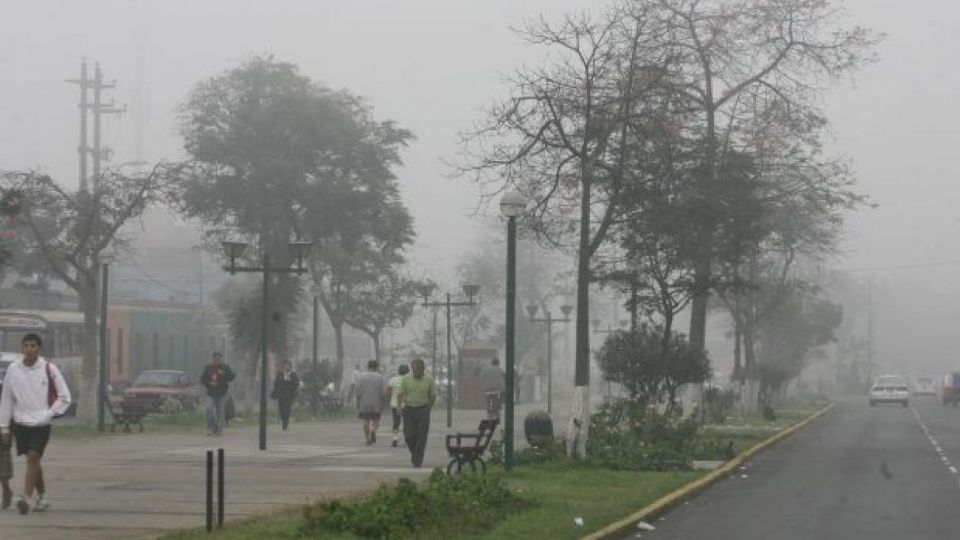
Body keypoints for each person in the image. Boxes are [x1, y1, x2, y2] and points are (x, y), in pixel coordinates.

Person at [0, 333, 71, 514]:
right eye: (26, 346)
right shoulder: (13, 369)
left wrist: (48, 414)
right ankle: (43, 497)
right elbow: (6, 399)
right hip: (20, 423)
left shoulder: (49, 368)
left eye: (33, 346)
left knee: (33, 456)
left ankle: (25, 498)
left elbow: (64, 396)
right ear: (22, 348)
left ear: (39, 348)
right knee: (33, 460)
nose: (29, 349)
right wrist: (4, 427)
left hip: (41, 424)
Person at [398, 358, 436, 468]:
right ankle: (415, 453)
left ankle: (417, 459)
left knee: (421, 436)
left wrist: (428, 408)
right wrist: (399, 407)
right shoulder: (406, 379)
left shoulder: (429, 379)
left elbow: (432, 395)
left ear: (423, 370)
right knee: (409, 435)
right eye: (414, 369)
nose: (416, 372)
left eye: (418, 370)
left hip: (423, 409)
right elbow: (401, 394)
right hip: (409, 410)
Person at [199, 352, 235, 437]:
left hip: (222, 393)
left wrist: (224, 374)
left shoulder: (225, 367)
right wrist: (209, 382)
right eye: (215, 359)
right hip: (210, 393)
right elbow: (202, 379)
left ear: (221, 359)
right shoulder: (208, 368)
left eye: (218, 359)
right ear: (213, 359)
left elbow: (232, 377)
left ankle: (219, 430)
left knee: (220, 412)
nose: (217, 361)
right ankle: (210, 428)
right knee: (209, 409)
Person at [355, 360, 386, 445]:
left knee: (365, 420)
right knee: (376, 419)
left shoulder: (361, 377)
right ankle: (373, 430)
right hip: (376, 402)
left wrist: (358, 402)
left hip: (364, 402)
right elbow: (383, 392)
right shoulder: (380, 377)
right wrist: (382, 403)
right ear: (376, 367)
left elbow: (358, 391)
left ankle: (367, 438)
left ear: (368, 366)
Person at [271, 360, 300, 430]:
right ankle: (283, 420)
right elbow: (276, 384)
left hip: (289, 395)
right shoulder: (280, 374)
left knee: (287, 409)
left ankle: (285, 423)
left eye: (288, 365)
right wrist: (275, 393)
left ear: (290, 366)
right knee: (281, 410)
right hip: (281, 395)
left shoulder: (293, 375)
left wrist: (291, 384)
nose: (286, 366)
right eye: (285, 365)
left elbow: (296, 384)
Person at [386, 364, 409, 447]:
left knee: (396, 422)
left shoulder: (393, 380)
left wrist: (390, 398)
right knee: (407, 423)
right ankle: (407, 439)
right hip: (407, 405)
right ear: (408, 371)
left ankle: (395, 438)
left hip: (395, 405)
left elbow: (388, 392)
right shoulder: (409, 380)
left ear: (398, 371)